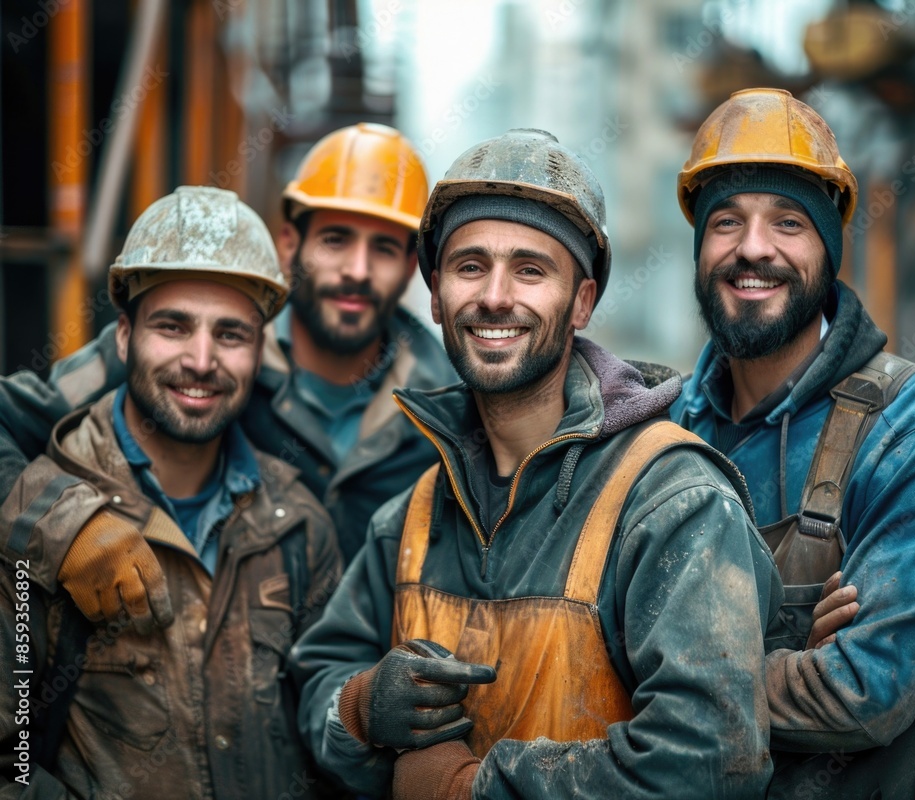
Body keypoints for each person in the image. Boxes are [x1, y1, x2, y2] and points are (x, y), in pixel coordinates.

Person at [289, 128, 785, 799]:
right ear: (434, 295)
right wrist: (357, 706)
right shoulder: (413, 518)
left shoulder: (671, 503)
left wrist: (472, 790)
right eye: (469, 267)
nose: (495, 297)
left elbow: (711, 759)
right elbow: (320, 673)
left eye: (530, 270)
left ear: (581, 301)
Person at [0, 123, 456, 633]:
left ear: (412, 266)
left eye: (385, 249)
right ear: (290, 244)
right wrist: (68, 525)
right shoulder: (168, 352)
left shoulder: (445, 406)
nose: (356, 269)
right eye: (335, 239)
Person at [670, 87, 915, 798]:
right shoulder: (666, 433)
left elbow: (861, 692)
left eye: (789, 222)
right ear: (700, 247)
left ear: (829, 248)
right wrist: (789, 659)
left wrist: (669, 681)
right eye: (727, 221)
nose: (753, 249)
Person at [0, 186, 342, 798]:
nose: (202, 359)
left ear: (261, 351)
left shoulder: (300, 524)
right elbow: (11, 767)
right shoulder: (35, 527)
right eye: (173, 326)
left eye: (231, 334)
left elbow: (324, 742)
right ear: (124, 337)